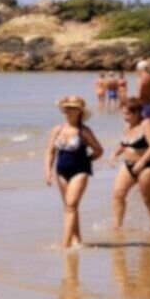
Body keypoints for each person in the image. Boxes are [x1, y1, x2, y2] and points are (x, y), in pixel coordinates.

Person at [44, 94, 102, 250]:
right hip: (61, 171)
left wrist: (88, 160)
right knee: (70, 207)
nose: (69, 110)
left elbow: (99, 150)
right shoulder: (57, 129)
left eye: (73, 108)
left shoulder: (84, 131)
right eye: (67, 107)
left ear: (80, 111)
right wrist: (48, 172)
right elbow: (50, 152)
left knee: (70, 206)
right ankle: (77, 240)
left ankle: (65, 245)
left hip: (80, 171)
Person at [110, 98, 150, 234]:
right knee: (118, 195)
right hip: (128, 164)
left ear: (137, 112)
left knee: (148, 199)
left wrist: (142, 162)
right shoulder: (127, 126)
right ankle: (117, 227)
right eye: (123, 114)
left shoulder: (146, 123)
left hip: (147, 165)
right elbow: (125, 143)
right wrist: (115, 153)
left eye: (127, 114)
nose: (124, 117)